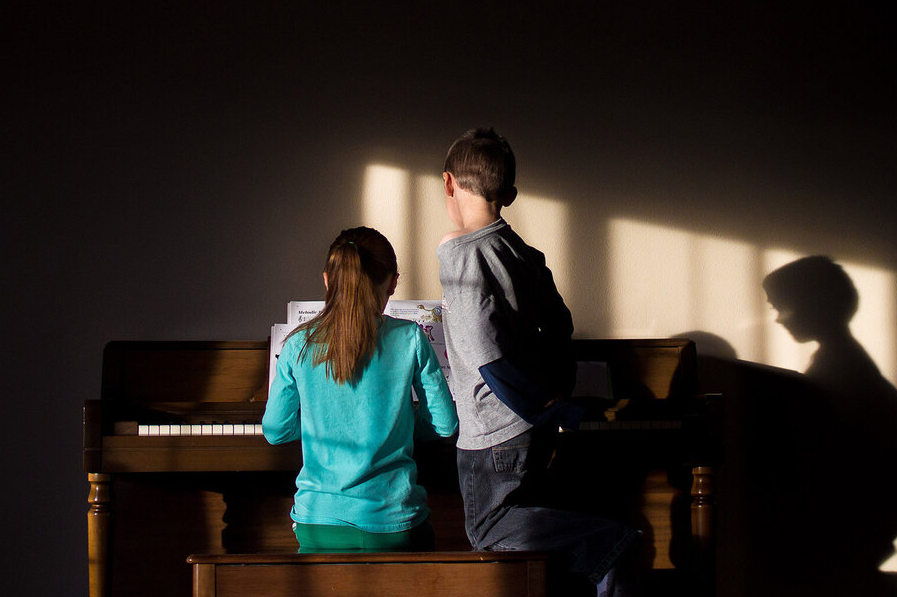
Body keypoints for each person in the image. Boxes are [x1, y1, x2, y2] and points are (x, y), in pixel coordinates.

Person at [437, 128, 642, 597]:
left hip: (494, 434)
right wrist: (554, 396)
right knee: (535, 557)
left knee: (487, 533)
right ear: (510, 193)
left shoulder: (461, 252)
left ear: (449, 183)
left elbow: (488, 360)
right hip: (530, 429)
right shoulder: (524, 253)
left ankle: (614, 547)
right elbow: (561, 328)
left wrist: (542, 407)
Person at [263, 226, 458, 551]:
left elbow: (276, 431)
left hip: (318, 523)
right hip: (394, 524)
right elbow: (446, 424)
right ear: (393, 281)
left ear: (328, 279)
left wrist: (318, 420)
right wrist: (403, 424)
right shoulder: (410, 338)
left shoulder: (298, 344)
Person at [761, 255, 897, 594]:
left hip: (847, 535)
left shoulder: (841, 374)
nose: (778, 319)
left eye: (782, 307)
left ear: (813, 305)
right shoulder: (846, 366)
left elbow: (826, 463)